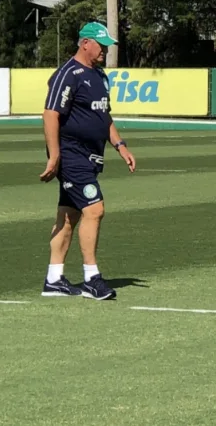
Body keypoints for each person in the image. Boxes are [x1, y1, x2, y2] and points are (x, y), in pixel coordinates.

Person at [39, 21, 136, 300]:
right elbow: (50, 114)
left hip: (89, 155)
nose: (105, 49)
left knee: (68, 217)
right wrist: (55, 155)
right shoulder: (67, 74)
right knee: (95, 208)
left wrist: (120, 145)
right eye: (101, 44)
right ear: (85, 43)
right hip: (71, 154)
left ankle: (54, 279)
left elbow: (103, 117)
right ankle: (92, 278)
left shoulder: (100, 76)